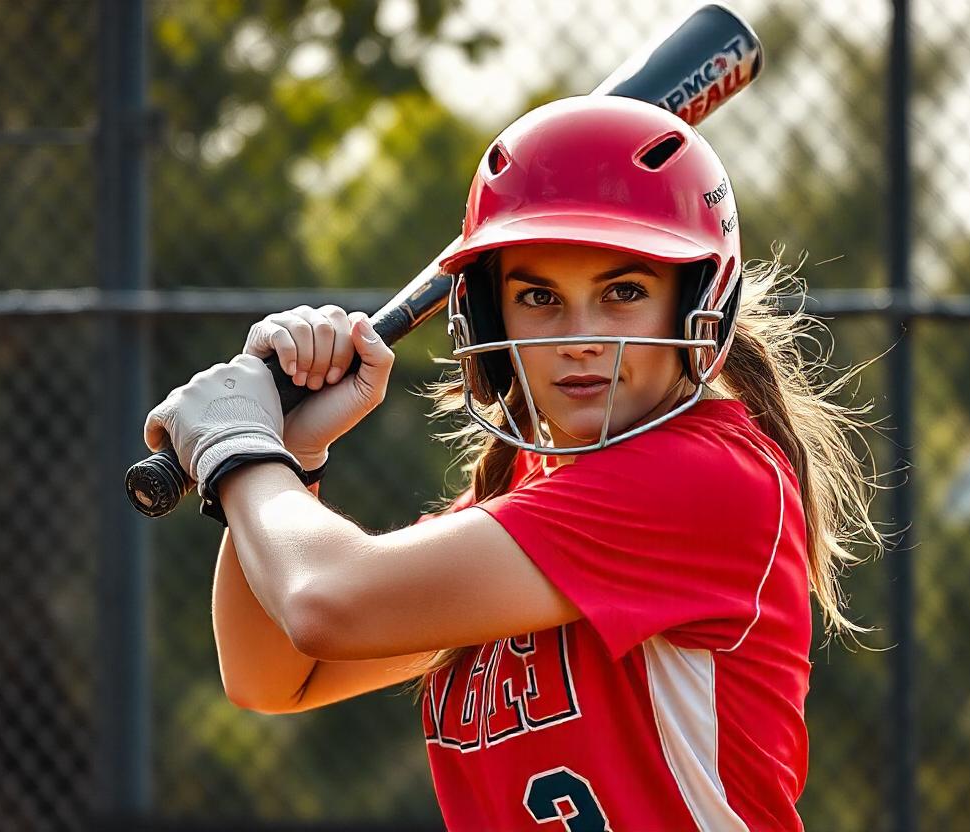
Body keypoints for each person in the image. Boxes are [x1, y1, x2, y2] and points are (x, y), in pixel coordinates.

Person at [145, 96, 885, 831]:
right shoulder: (525, 505)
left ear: (699, 305)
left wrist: (240, 450)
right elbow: (272, 675)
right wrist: (296, 451)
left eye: (624, 292)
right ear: (490, 318)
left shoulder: (703, 479)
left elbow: (326, 601)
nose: (579, 338)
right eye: (538, 297)